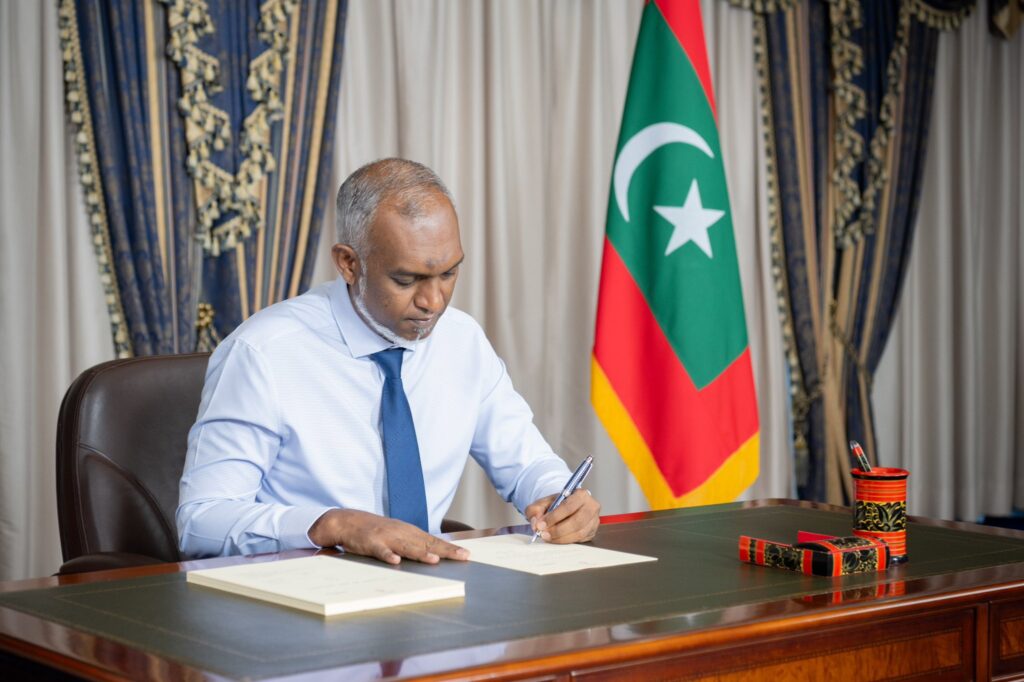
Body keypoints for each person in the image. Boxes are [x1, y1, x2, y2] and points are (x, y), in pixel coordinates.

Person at [177, 158, 601, 565]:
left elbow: (527, 462)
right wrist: (333, 525)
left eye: (449, 273)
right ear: (349, 263)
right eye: (407, 279)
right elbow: (200, 523)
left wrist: (558, 498)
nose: (434, 302)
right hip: (300, 595)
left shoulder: (462, 340)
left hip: (432, 590)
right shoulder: (263, 354)